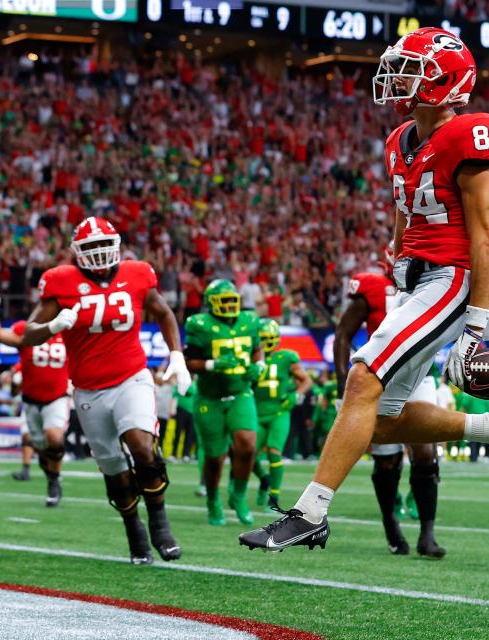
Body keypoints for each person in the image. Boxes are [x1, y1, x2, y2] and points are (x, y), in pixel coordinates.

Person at [240, 27, 489, 552]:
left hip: (452, 278)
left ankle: (310, 512)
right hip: (415, 277)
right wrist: (398, 253)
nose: (398, 78)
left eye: (411, 69)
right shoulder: (400, 139)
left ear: (445, 80)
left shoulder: (474, 132)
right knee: (378, 423)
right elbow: (406, 212)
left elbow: (486, 234)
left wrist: (475, 323)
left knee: (361, 379)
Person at [21, 216, 190, 564]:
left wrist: (177, 355)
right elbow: (28, 334)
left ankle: (159, 522)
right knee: (114, 469)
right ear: (77, 252)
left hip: (132, 376)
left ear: (115, 246)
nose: (98, 253)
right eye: (91, 247)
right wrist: (53, 324)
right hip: (89, 389)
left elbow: (163, 311)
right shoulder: (60, 281)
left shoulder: (138, 273)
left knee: (143, 447)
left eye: (103, 245)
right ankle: (134, 530)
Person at [331, 255, 446, 557]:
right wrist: (343, 383)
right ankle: (390, 524)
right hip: (381, 374)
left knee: (425, 450)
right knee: (387, 460)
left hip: (420, 372)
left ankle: (427, 534)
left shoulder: (438, 283)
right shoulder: (373, 287)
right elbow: (343, 334)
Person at [183, 279, 263, 526]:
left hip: (240, 392)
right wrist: (212, 364)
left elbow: (257, 349)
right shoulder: (200, 324)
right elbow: (189, 361)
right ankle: (213, 500)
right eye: (224, 301)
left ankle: (238, 495)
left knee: (248, 444)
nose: (229, 305)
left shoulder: (249, 321)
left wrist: (259, 365)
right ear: (211, 304)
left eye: (232, 300)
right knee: (215, 457)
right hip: (210, 398)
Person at [0, 287, 70, 507]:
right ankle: (51, 477)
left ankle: (54, 480)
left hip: (57, 397)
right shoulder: (28, 330)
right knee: (41, 450)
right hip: (31, 400)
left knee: (54, 437)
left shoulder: (70, 331)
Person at [252, 319, 312, 512]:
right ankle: (264, 479)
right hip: (256, 412)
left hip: (279, 410)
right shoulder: (250, 357)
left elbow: (306, 381)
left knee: (273, 451)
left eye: (268, 339)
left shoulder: (286, 357)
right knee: (247, 454)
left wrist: (296, 394)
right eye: (262, 339)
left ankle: (274, 496)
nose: (265, 343)